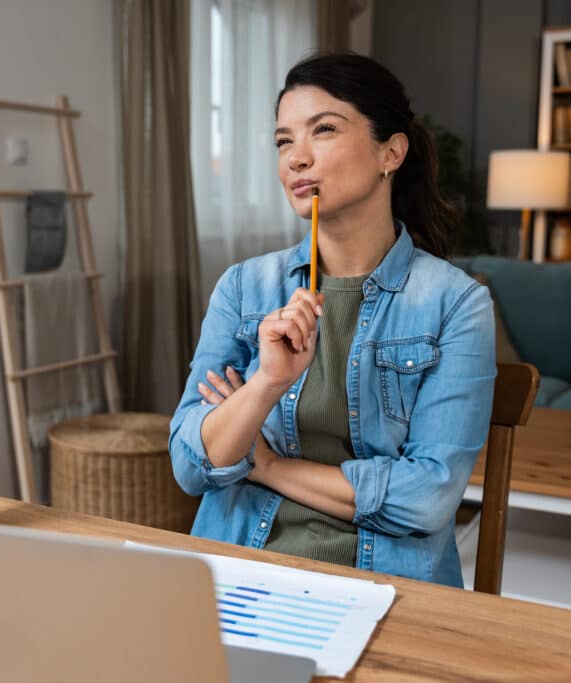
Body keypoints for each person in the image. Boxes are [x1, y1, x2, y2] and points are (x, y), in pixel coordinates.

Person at [167, 53, 496, 587]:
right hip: (237, 568)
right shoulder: (243, 287)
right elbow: (190, 465)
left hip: (386, 586)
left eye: (323, 130)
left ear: (391, 151)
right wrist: (267, 384)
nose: (296, 158)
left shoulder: (456, 303)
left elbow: (428, 499)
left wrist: (270, 467)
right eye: (283, 140)